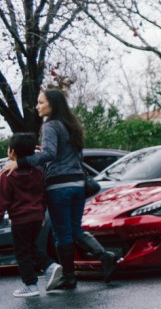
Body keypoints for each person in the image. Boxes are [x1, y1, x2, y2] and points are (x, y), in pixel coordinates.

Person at [0, 89, 104, 290]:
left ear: (52, 104)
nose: (37, 106)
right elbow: (68, 155)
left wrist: (20, 162)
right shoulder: (71, 126)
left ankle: (67, 277)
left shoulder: (50, 125)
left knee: (62, 234)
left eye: (41, 102)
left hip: (60, 186)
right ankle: (104, 256)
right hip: (78, 185)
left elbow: (49, 154)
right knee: (74, 230)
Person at [0, 134, 47, 297]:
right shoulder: (38, 172)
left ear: (12, 152)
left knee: (21, 252)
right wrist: (42, 213)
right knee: (31, 247)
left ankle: (31, 285)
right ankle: (51, 266)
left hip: (20, 220)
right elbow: (43, 195)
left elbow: (3, 201)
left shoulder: (7, 174)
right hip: (36, 217)